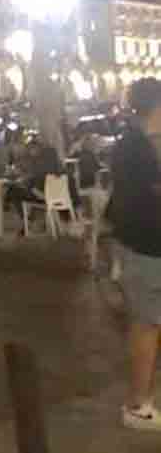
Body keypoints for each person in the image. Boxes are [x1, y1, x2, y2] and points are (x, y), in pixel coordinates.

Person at [107, 78, 161, 431]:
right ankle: (136, 405)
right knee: (146, 324)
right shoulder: (136, 148)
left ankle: (144, 398)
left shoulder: (136, 143)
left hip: (141, 244)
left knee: (150, 323)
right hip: (145, 248)